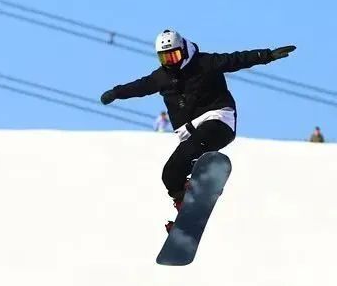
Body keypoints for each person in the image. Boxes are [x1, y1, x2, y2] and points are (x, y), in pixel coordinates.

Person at [100, 29, 295, 230]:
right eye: (164, 58)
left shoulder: (204, 63)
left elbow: (236, 60)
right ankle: (185, 205)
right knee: (170, 173)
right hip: (190, 134)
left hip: (218, 121)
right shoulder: (162, 77)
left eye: (173, 55)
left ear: (183, 50)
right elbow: (139, 87)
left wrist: (266, 55)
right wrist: (116, 93)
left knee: (192, 149)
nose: (171, 62)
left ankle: (202, 179)